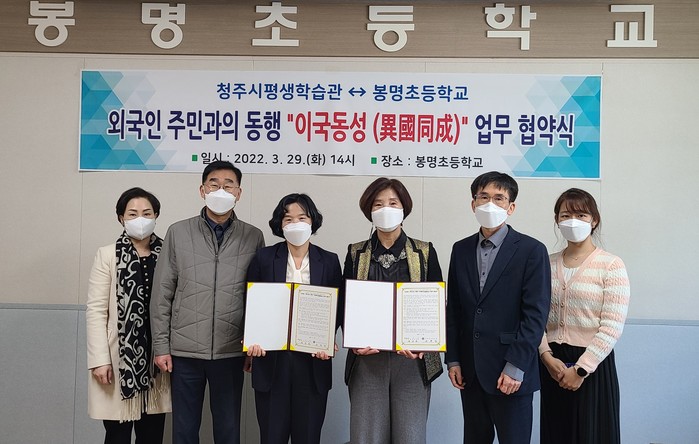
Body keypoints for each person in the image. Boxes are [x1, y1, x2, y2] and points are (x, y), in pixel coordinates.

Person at [150, 161, 265, 444]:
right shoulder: (178, 232)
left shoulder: (253, 236)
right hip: (184, 351)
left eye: (229, 185)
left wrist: (253, 341)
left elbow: (258, 296)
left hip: (230, 350)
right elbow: (162, 294)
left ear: (239, 193)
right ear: (202, 190)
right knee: (184, 430)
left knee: (228, 429)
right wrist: (161, 347)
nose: (221, 190)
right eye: (214, 184)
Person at [445, 171, 551, 444]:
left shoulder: (531, 250)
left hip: (511, 371)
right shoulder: (460, 249)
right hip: (470, 371)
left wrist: (516, 366)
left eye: (499, 198)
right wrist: (453, 359)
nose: (490, 204)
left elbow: (535, 315)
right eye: (483, 197)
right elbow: (453, 308)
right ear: (473, 204)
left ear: (511, 207)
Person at [343, 177, 443, 444]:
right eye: (378, 204)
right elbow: (345, 304)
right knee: (366, 437)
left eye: (393, 203)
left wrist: (425, 344)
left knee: (410, 436)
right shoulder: (356, 253)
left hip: (412, 361)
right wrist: (354, 341)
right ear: (369, 210)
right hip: (367, 359)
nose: (385, 209)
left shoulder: (424, 252)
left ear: (404, 208)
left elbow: (436, 306)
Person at [245, 193, 343, 444]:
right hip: (271, 363)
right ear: (280, 224)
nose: (295, 224)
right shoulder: (264, 258)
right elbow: (250, 304)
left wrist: (327, 340)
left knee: (308, 437)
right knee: (271, 437)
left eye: (302, 218)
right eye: (288, 219)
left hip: (313, 365)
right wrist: (251, 340)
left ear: (313, 221)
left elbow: (338, 307)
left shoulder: (329, 260)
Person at [538, 188, 630, 444]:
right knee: (557, 434)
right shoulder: (545, 263)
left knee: (593, 434)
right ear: (557, 220)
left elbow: (611, 326)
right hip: (553, 365)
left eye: (581, 215)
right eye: (565, 215)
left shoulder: (611, 265)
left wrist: (580, 370)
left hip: (592, 365)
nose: (573, 221)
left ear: (594, 220)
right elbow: (535, 317)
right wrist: (546, 356)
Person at [86, 187, 171, 444]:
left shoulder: (169, 253)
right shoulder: (107, 254)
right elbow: (96, 311)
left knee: (152, 435)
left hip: (157, 360)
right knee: (117, 435)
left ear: (156, 216)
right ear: (121, 218)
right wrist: (99, 360)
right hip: (117, 361)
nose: (140, 219)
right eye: (132, 214)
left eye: (147, 213)